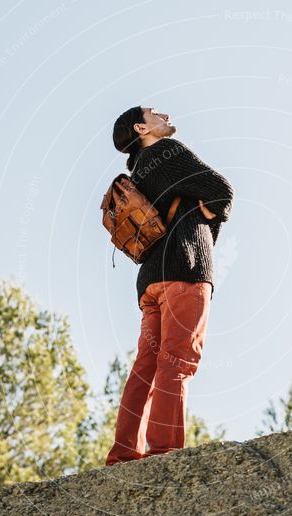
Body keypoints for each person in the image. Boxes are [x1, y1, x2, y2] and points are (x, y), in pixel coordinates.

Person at [105, 105, 234, 465]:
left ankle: (124, 453)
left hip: (150, 280)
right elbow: (222, 191)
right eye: (155, 112)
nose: (165, 114)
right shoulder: (168, 152)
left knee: (146, 365)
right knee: (178, 359)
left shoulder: (136, 173)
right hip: (185, 267)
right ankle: (165, 451)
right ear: (141, 127)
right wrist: (208, 219)